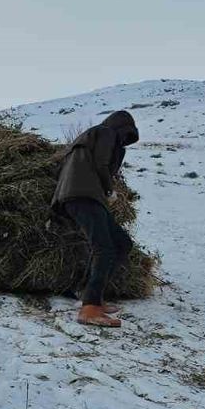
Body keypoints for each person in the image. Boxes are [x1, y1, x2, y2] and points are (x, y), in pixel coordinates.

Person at [51, 111, 140, 327]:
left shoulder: (89, 137)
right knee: (104, 248)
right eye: (126, 136)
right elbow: (102, 164)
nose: (124, 142)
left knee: (122, 243)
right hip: (83, 195)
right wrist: (109, 190)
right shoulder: (105, 133)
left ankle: (90, 294)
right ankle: (89, 308)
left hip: (81, 196)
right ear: (121, 128)